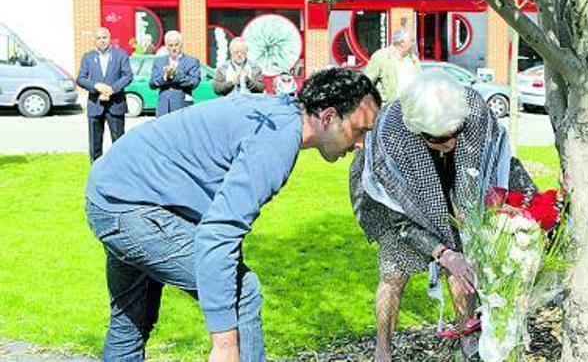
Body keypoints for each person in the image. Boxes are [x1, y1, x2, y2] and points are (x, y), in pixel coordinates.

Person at [85, 67, 381, 362]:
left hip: (112, 192)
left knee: (131, 323)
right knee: (241, 294)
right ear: (328, 117)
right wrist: (224, 344)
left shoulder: (279, 111)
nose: (360, 145)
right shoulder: (276, 142)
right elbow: (219, 233)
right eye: (359, 131)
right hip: (131, 207)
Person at [349, 71, 536, 362]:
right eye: (439, 140)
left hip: (461, 192)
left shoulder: (471, 110)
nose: (450, 144)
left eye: (455, 134)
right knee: (393, 273)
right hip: (401, 208)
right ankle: (383, 349)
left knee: (464, 270)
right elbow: (400, 221)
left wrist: (525, 204)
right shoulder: (391, 137)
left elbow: (497, 161)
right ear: (416, 130)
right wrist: (442, 252)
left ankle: (468, 340)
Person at [76, 27, 133, 162]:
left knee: (119, 142)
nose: (102, 41)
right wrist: (96, 86)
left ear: (110, 38)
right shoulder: (88, 57)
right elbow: (81, 79)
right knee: (95, 144)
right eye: (99, 38)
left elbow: (128, 76)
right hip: (95, 105)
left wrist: (112, 89)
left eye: (104, 37)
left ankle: (120, 172)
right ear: (94, 40)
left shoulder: (121, 55)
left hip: (115, 104)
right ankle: (96, 172)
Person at [363, 21, 421, 103]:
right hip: (389, 108)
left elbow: (420, 80)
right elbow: (366, 83)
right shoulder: (381, 56)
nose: (413, 44)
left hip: (410, 108)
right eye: (411, 41)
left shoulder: (413, 58)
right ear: (402, 42)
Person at [149, 30, 201, 116]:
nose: (174, 48)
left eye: (176, 45)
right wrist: (165, 77)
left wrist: (176, 75)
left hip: (182, 106)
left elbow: (194, 82)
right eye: (170, 45)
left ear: (181, 45)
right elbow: (152, 84)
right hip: (163, 107)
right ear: (166, 46)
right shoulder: (159, 61)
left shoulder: (191, 61)